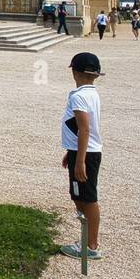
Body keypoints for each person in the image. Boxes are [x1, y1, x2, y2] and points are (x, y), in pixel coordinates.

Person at [58, 51, 105, 261]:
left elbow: (84, 129)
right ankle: (86, 240)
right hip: (81, 151)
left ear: (75, 72)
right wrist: (71, 152)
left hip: (86, 154)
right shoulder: (91, 93)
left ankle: (90, 245)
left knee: (88, 198)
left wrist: (80, 161)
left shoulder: (79, 96)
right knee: (79, 196)